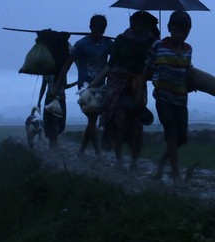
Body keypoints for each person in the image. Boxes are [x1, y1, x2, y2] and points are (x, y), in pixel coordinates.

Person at [91, 10, 159, 173]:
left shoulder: (153, 43)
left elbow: (155, 67)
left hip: (137, 85)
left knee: (137, 124)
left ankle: (134, 161)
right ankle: (119, 158)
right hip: (118, 84)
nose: (142, 28)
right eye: (139, 24)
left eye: (146, 25)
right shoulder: (121, 40)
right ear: (132, 24)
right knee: (117, 121)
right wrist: (93, 84)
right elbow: (110, 65)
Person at [145, 11, 193, 184]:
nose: (181, 34)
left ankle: (160, 164)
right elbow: (147, 68)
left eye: (186, 31)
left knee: (181, 138)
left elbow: (188, 72)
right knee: (172, 135)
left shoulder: (188, 50)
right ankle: (175, 175)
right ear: (170, 29)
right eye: (177, 30)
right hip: (163, 98)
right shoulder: (158, 46)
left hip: (181, 99)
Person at [55, 14, 113, 156]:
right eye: (97, 29)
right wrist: (58, 84)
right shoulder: (81, 45)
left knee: (93, 119)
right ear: (90, 27)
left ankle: (82, 149)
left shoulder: (108, 44)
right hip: (84, 88)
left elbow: (116, 59)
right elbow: (67, 65)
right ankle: (98, 151)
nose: (99, 33)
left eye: (102, 30)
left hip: (101, 87)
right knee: (92, 117)